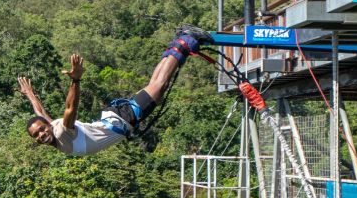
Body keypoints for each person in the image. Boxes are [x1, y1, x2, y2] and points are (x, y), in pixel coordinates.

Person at [18, 25, 213, 155]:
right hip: (115, 117)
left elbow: (70, 109)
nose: (41, 134)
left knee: (159, 86)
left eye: (41, 130)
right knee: (155, 87)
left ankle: (186, 41)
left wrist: (76, 81)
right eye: (37, 135)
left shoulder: (61, 134)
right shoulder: (55, 131)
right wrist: (31, 95)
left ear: (47, 127)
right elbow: (41, 114)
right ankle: (177, 44)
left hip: (122, 120)